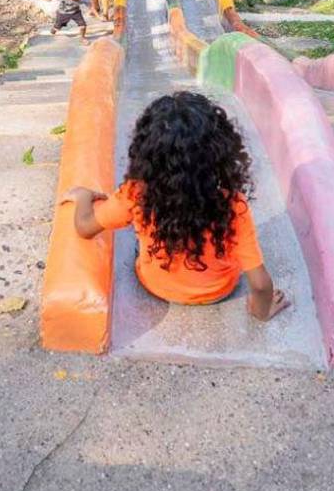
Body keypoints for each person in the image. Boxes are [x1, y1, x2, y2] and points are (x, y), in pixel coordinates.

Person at [64, 92, 290, 320]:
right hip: (219, 291)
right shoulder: (232, 204)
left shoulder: (136, 194)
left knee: (141, 230)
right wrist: (262, 311)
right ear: (219, 151)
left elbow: (84, 227)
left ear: (147, 152)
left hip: (157, 287)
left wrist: (84, 196)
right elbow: (260, 285)